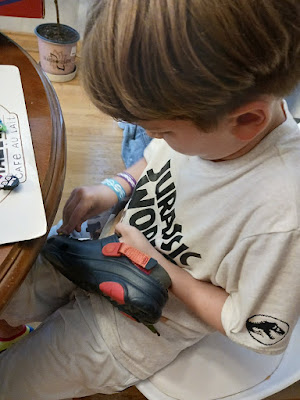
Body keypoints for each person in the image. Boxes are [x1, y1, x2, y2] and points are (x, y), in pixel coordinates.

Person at [1, 0, 300, 398]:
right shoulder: (214, 122)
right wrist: (117, 187)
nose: (154, 139)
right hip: (98, 253)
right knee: (9, 292)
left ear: (247, 120)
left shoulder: (282, 218)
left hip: (133, 327)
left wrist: (157, 266)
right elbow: (157, 157)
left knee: (11, 382)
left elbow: (251, 329)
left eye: (162, 131)